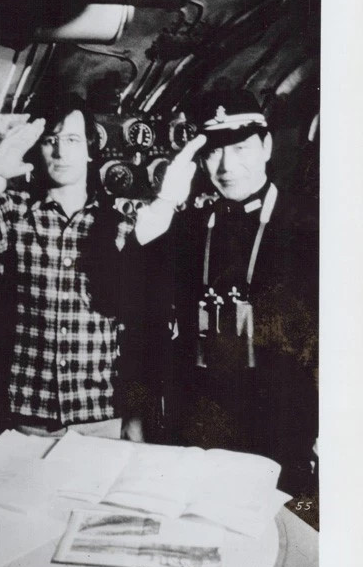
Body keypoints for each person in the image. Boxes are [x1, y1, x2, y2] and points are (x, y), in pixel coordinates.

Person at [115, 90, 318, 495]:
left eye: (241, 149)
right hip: (196, 422)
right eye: (214, 152)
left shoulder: (309, 224)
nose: (226, 167)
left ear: (266, 147)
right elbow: (132, 297)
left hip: (282, 425)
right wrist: (165, 199)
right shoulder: (190, 225)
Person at [0, 94, 135, 437]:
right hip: (28, 415)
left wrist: (135, 414)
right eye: (51, 140)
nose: (60, 152)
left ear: (90, 148)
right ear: (38, 149)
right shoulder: (13, 211)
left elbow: (137, 330)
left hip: (100, 415)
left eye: (72, 140)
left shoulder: (120, 225)